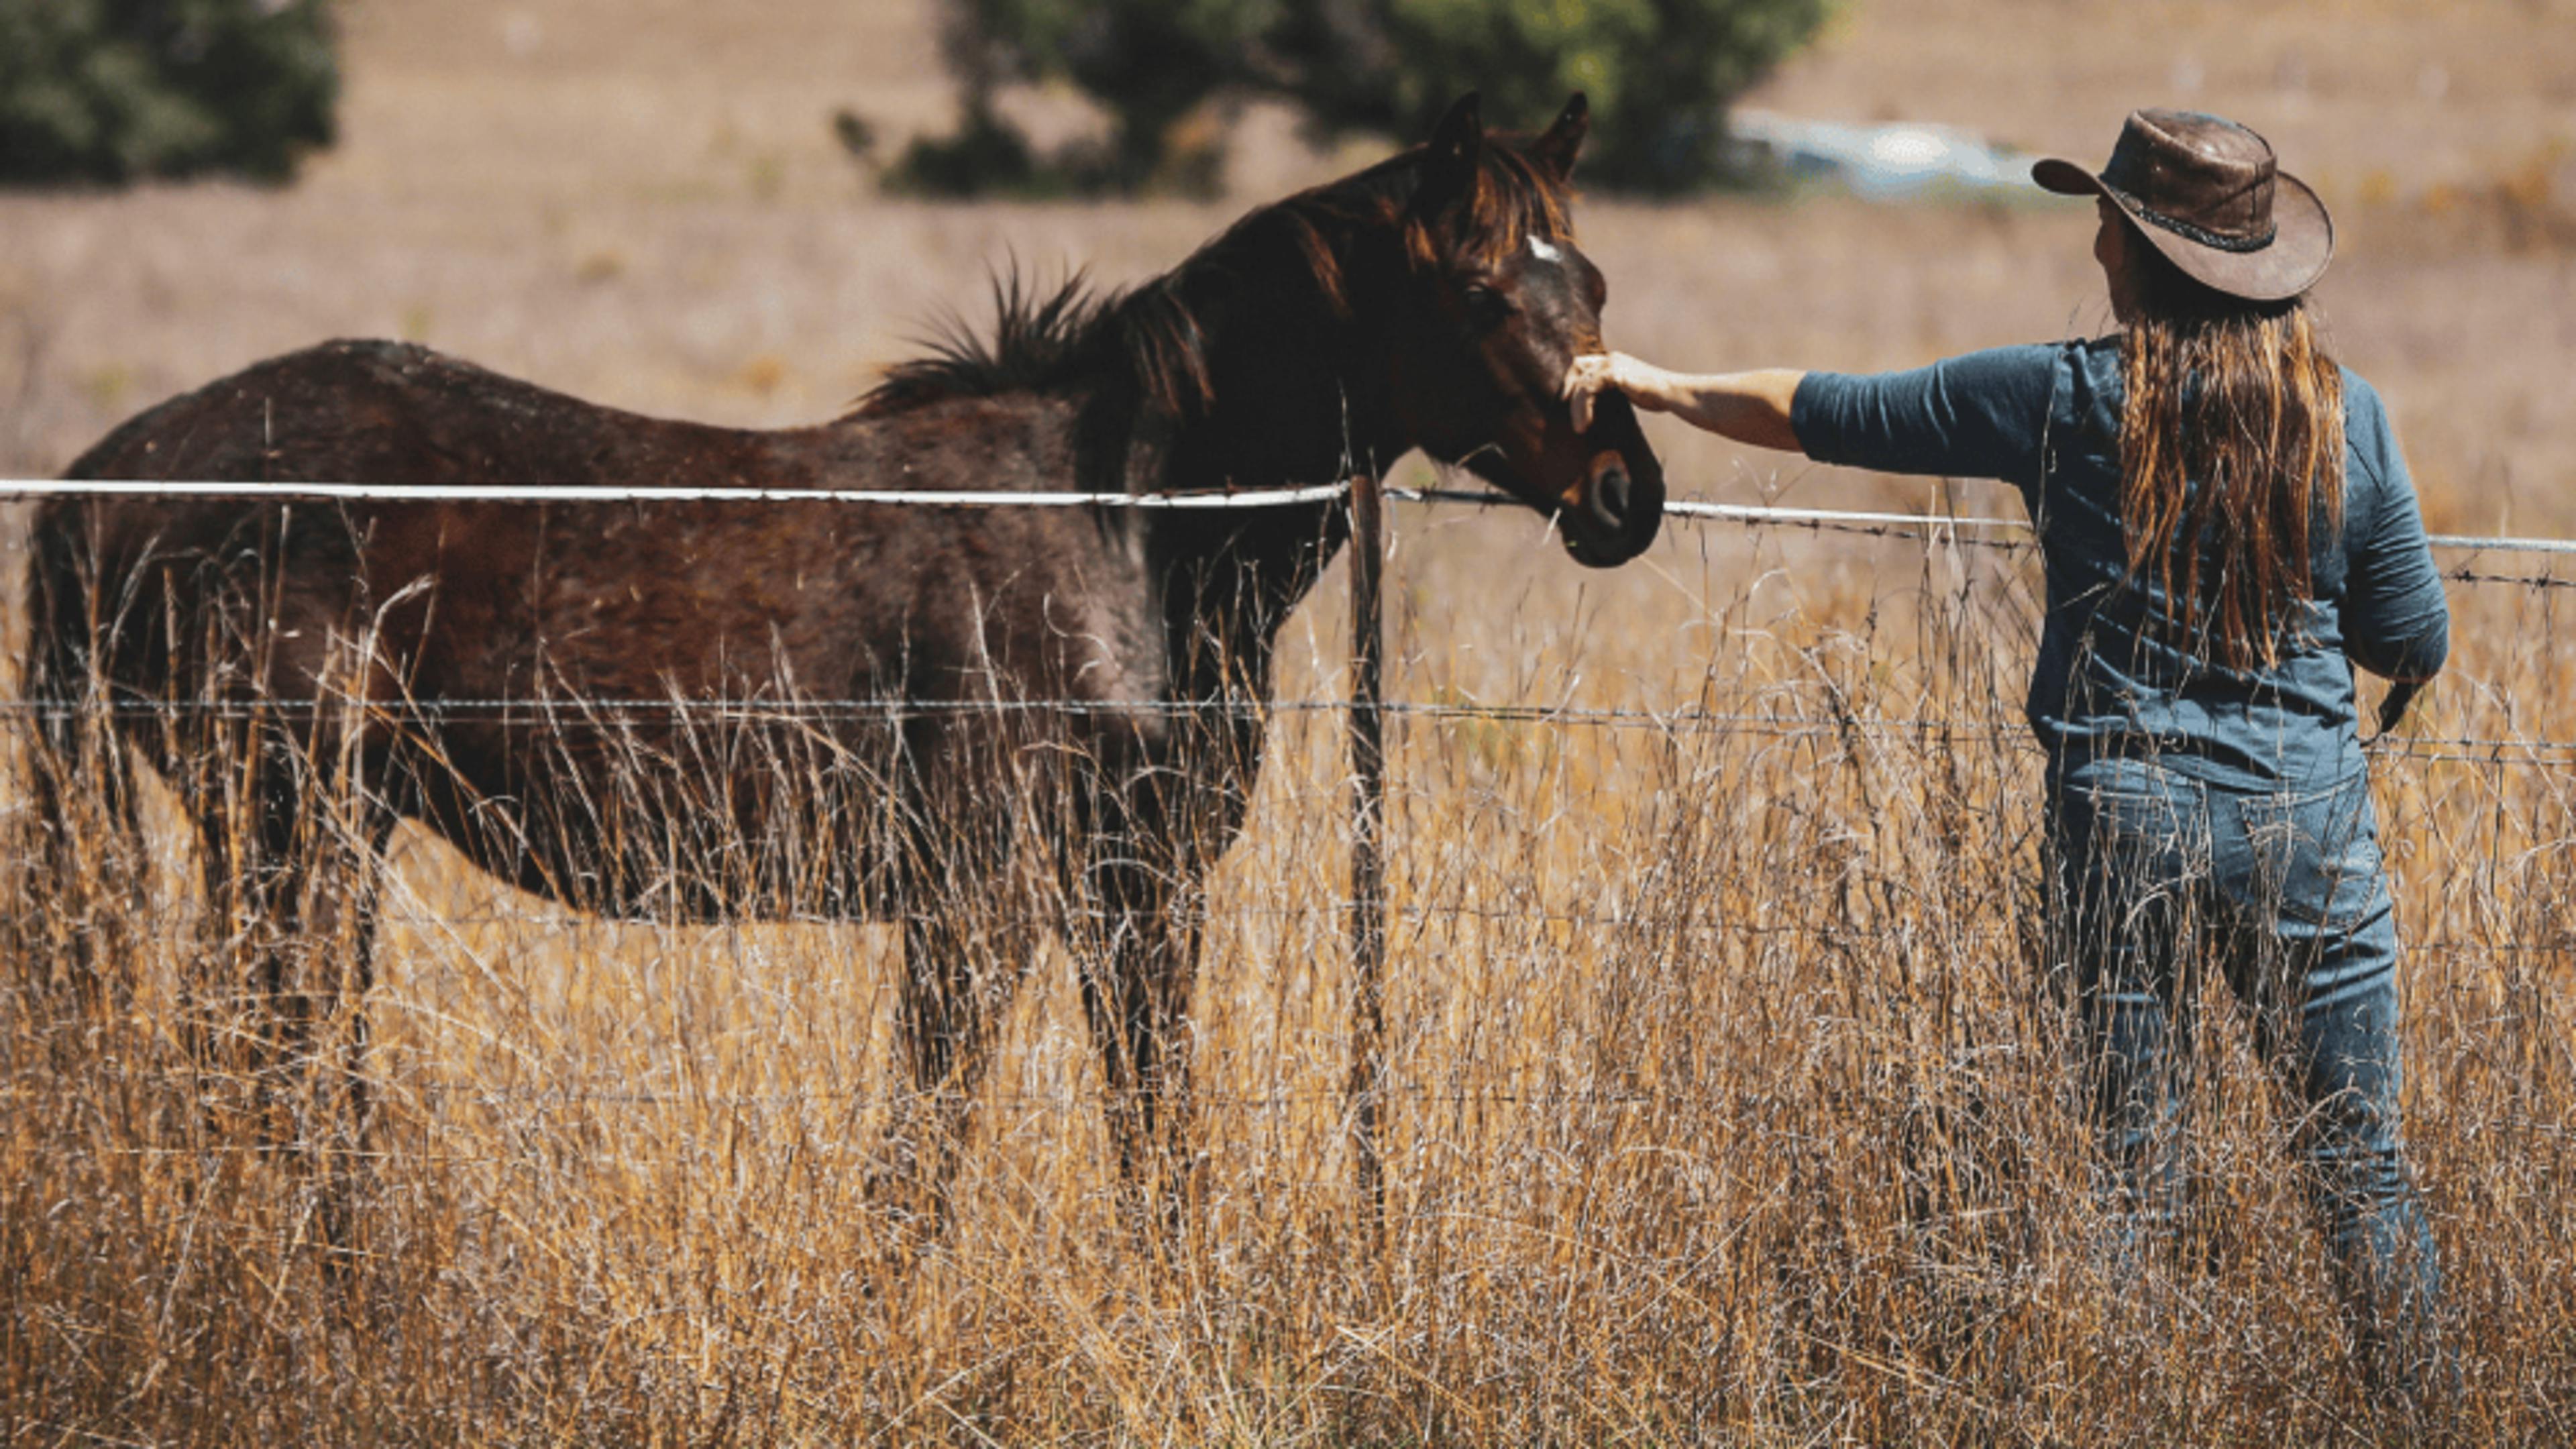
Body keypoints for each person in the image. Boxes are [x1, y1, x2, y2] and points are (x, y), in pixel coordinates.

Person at [1564, 109, 2451, 1390]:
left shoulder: (2063, 396)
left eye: (2111, 218)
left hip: (2124, 820)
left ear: (2146, 254)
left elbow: (1831, 412)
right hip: (2309, 829)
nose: (2094, 235)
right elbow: (2409, 632)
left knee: (2134, 1180)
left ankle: (2132, 1415)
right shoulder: (2348, 414)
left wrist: (1653, 384)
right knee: (2360, 1168)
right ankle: (2421, 1415)